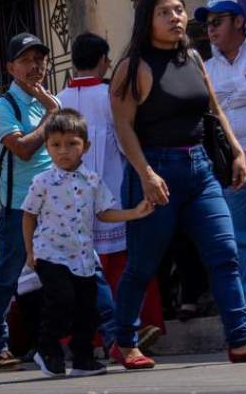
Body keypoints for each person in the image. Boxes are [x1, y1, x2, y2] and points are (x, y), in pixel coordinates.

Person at [110, 0, 246, 368]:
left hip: (200, 171)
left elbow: (213, 109)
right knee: (143, 263)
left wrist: (237, 151)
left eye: (179, 10)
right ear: (148, 19)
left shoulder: (194, 58)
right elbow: (123, 128)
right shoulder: (133, 67)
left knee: (225, 253)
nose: (176, 18)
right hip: (155, 170)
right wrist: (145, 174)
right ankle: (124, 341)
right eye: (165, 12)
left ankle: (240, 339)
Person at [22, 109, 155, 377]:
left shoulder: (92, 180)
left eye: (72, 144)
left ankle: (82, 359)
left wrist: (133, 213)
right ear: (47, 147)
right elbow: (28, 215)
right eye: (56, 145)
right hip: (50, 254)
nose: (64, 151)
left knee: (88, 308)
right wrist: (29, 251)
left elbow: (103, 212)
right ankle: (47, 349)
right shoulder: (42, 182)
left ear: (86, 146)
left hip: (83, 256)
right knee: (61, 300)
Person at [56, 32, 166, 352]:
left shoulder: (58, 101)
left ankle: (86, 337)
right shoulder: (111, 96)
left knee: (80, 267)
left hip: (71, 199)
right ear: (104, 61)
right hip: (114, 192)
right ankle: (135, 327)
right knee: (121, 265)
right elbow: (127, 140)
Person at [0, 33, 64, 371]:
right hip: (20, 206)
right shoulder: (3, 107)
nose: (35, 66)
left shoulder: (49, 100)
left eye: (39, 59)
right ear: (10, 67)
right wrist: (50, 115)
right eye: (27, 60)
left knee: (82, 263)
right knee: (7, 275)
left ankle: (116, 333)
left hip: (56, 201)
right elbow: (24, 149)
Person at [199, 0, 246, 310]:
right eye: (208, 24)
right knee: (242, 233)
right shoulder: (208, 68)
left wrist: (224, 96)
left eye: (218, 21)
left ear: (238, 22)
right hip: (228, 162)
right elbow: (206, 104)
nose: (211, 29)